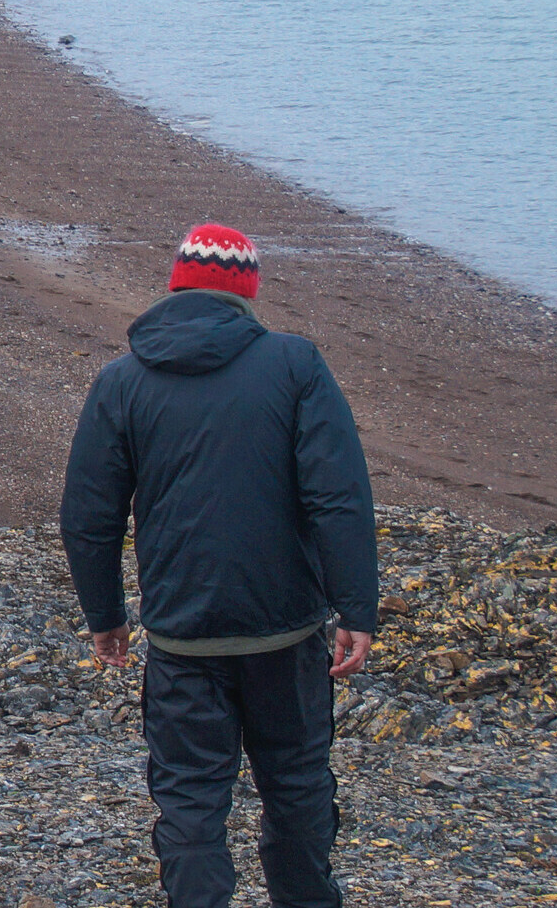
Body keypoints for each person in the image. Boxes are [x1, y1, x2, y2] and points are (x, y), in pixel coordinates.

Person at [59, 222, 379, 908]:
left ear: (176, 285)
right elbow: (339, 497)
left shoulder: (123, 382)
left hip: (182, 635)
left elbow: (90, 515)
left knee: (190, 805)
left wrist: (105, 616)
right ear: (247, 293)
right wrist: (358, 608)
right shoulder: (295, 366)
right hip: (285, 632)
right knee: (296, 789)